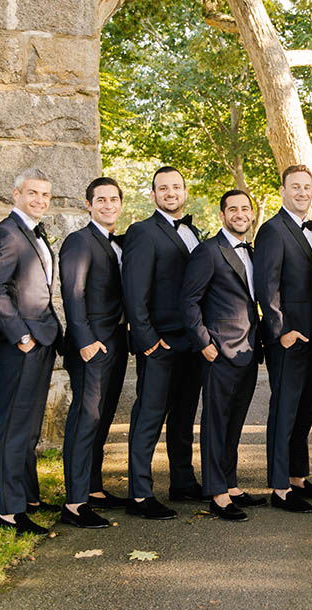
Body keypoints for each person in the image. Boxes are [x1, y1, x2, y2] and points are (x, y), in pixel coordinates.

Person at [0, 168, 63, 535]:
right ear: (16, 194)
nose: (40, 201)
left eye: (45, 195)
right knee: (13, 426)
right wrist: (20, 337)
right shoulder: (7, 233)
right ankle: (8, 510)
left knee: (29, 427)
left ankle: (27, 496)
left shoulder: (34, 231)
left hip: (42, 339)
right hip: (22, 344)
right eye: (33, 194)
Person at [122, 166, 205, 521]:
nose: (171, 193)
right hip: (160, 344)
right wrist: (148, 342)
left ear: (184, 191)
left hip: (191, 344)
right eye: (163, 188)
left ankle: (183, 482)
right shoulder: (142, 232)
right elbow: (134, 293)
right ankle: (139, 494)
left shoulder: (194, 232)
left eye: (176, 187)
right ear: (153, 195)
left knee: (185, 416)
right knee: (149, 417)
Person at [180, 189, 265, 522]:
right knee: (216, 422)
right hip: (219, 350)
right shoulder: (208, 252)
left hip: (248, 349)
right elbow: (188, 301)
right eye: (233, 209)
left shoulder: (253, 252)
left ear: (252, 214)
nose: (240, 214)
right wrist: (204, 343)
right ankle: (216, 493)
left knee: (235, 422)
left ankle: (229, 483)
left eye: (245, 208)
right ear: (222, 215)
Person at [254, 165, 312, 512]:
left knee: (305, 406)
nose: (302, 192)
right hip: (289, 336)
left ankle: (298, 476)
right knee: (285, 408)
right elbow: (266, 286)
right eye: (295, 187)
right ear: (282, 190)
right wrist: (281, 331)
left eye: (306, 187)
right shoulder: (272, 230)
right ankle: (280, 486)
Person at [58, 177, 131, 529]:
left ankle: (93, 488)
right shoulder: (79, 241)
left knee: (102, 420)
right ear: (88, 204)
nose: (107, 204)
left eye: (113, 199)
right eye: (100, 199)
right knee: (85, 420)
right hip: (91, 344)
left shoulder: (118, 243)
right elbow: (72, 294)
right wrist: (86, 340)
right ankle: (74, 503)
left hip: (116, 341)